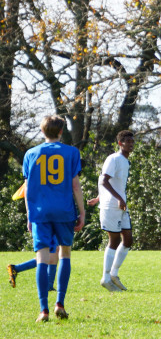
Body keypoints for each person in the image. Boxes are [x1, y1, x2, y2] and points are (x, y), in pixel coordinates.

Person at [23, 115, 85, 322]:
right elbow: (75, 185)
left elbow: (28, 188)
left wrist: (29, 215)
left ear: (42, 132)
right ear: (61, 131)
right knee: (64, 254)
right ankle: (60, 303)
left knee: (41, 258)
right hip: (64, 211)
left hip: (40, 212)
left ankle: (43, 310)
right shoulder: (71, 152)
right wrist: (82, 212)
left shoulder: (31, 153)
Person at [87, 130, 134, 292]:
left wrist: (98, 197)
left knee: (128, 240)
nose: (131, 144)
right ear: (120, 143)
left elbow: (112, 183)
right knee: (114, 241)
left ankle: (114, 274)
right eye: (127, 141)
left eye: (132, 141)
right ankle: (106, 278)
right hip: (112, 206)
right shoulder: (113, 158)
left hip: (121, 205)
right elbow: (103, 180)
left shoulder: (126, 161)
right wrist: (117, 199)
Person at [7, 183, 58, 291]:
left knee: (51, 253)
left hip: (46, 216)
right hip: (46, 217)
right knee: (49, 254)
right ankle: (48, 285)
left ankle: (17, 269)